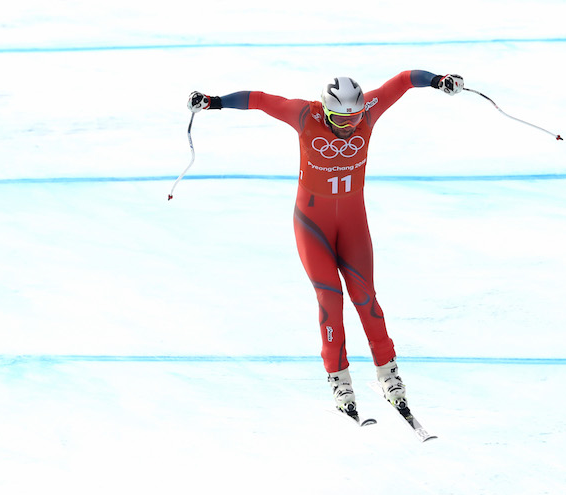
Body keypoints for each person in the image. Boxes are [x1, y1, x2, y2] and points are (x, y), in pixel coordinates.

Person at [188, 71, 464, 416]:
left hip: (352, 225)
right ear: (325, 111)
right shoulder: (305, 115)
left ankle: (388, 372)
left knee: (366, 297)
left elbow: (405, 80)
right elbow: (259, 99)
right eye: (339, 120)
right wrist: (214, 103)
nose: (348, 127)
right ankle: (339, 377)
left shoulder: (368, 113)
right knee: (330, 298)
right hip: (312, 226)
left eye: (354, 119)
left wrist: (439, 80)